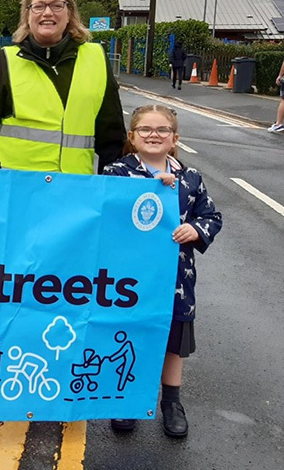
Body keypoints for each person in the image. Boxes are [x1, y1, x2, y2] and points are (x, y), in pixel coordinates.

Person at [103, 105, 223, 437]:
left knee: (173, 342)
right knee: (131, 336)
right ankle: (126, 399)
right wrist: (152, 188)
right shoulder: (116, 174)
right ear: (131, 136)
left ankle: (171, 402)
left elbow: (211, 216)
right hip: (129, 280)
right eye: (145, 129)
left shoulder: (191, 176)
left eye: (162, 130)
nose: (153, 135)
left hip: (176, 279)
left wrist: (196, 230)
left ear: (174, 139)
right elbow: (106, 215)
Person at [0, 0, 125, 173]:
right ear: (27, 15)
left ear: (69, 14)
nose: (47, 13)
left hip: (74, 188)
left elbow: (112, 138)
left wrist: (113, 190)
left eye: (57, 5)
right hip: (16, 187)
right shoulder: (6, 60)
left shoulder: (96, 58)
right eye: (38, 6)